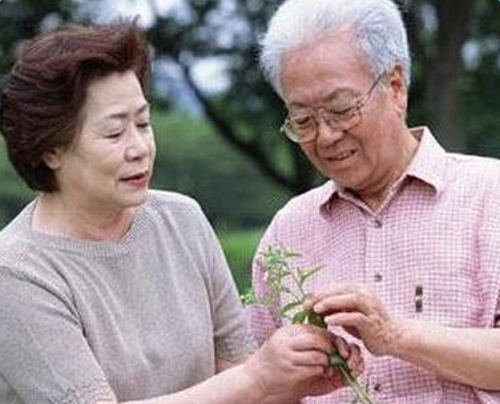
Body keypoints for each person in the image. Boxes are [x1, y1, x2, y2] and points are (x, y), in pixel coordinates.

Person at [0, 22, 364, 404]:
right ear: (50, 151)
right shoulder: (17, 272)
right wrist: (258, 379)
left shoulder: (182, 219)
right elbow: (246, 380)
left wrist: (288, 382)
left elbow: (235, 369)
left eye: (143, 123)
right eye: (113, 133)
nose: (140, 147)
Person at [250, 0, 500, 403]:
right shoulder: (289, 228)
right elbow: (255, 379)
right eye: (304, 120)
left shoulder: (491, 196)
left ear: (396, 87)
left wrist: (397, 336)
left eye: (341, 109)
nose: (326, 135)